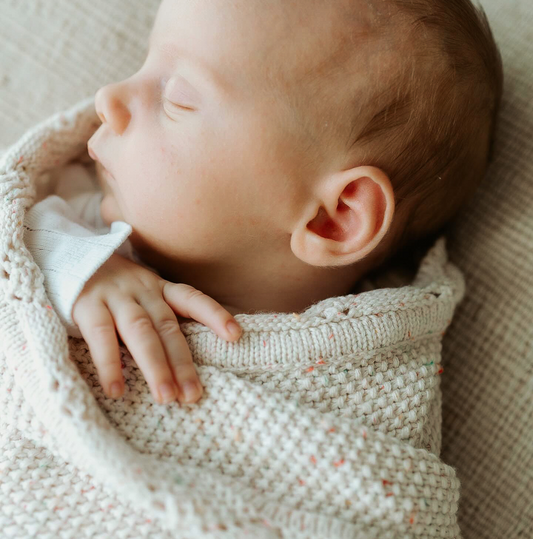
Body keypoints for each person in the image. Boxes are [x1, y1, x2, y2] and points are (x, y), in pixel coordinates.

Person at [25, 0, 503, 407]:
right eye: (144, 62)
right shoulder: (74, 227)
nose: (108, 97)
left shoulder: (367, 379)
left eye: (178, 96)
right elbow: (15, 248)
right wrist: (81, 271)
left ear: (333, 220)